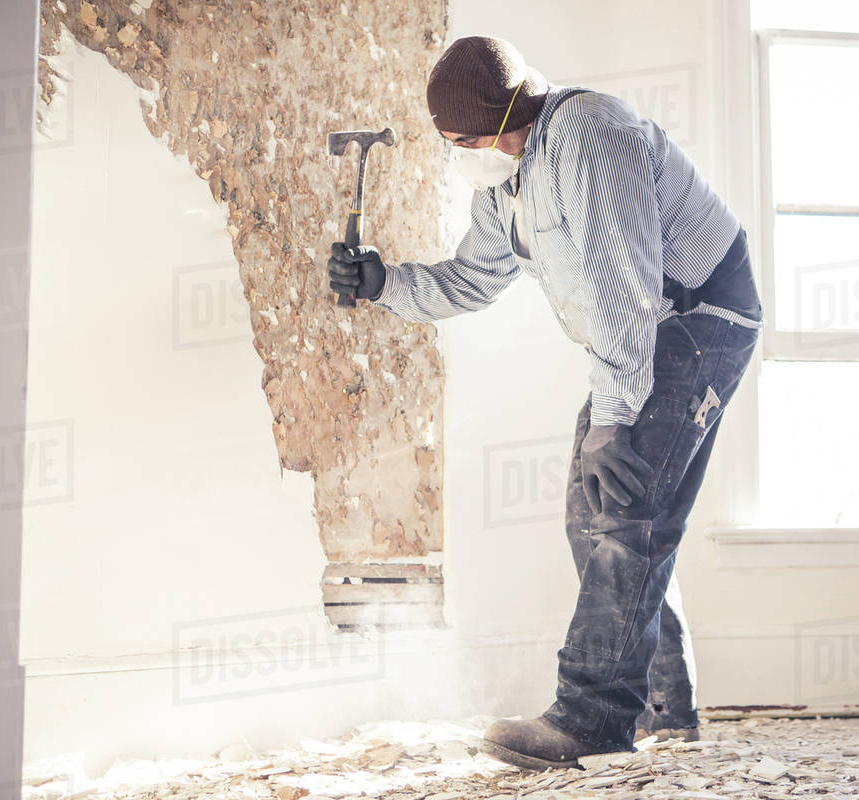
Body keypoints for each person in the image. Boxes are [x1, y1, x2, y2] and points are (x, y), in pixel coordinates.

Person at [327, 35, 763, 771]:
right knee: (591, 514)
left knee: (625, 510)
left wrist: (617, 417)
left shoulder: (594, 138)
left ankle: (592, 718)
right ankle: (669, 710)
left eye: (462, 140)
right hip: (643, 334)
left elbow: (624, 284)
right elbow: (472, 279)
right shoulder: (507, 184)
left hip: (700, 319)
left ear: (503, 120)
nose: (458, 154)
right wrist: (382, 284)